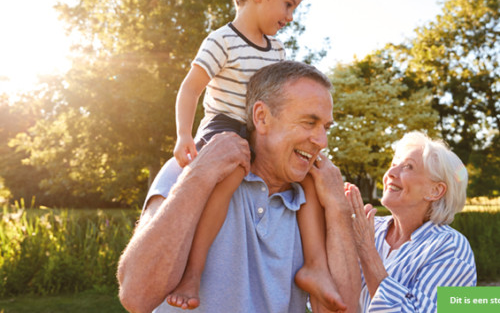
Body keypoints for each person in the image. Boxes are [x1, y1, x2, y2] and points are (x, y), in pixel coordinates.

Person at [164, 0, 340, 310]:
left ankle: (316, 267)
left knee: (307, 174)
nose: (290, 17)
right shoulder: (222, 41)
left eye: (294, 9)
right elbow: (190, 89)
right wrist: (184, 134)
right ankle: (192, 272)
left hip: (260, 128)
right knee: (231, 175)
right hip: (225, 127)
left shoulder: (276, 49)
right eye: (287, 5)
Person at [117, 61, 361, 313]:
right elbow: (137, 296)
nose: (322, 141)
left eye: (325, 127)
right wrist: (198, 176)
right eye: (309, 123)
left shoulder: (315, 198)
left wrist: (338, 207)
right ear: (262, 118)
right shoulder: (190, 169)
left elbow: (345, 310)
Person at [344, 131, 477, 312]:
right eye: (393, 164)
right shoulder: (369, 228)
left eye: (407, 167)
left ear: (435, 190)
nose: (390, 173)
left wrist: (366, 250)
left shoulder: (452, 248)